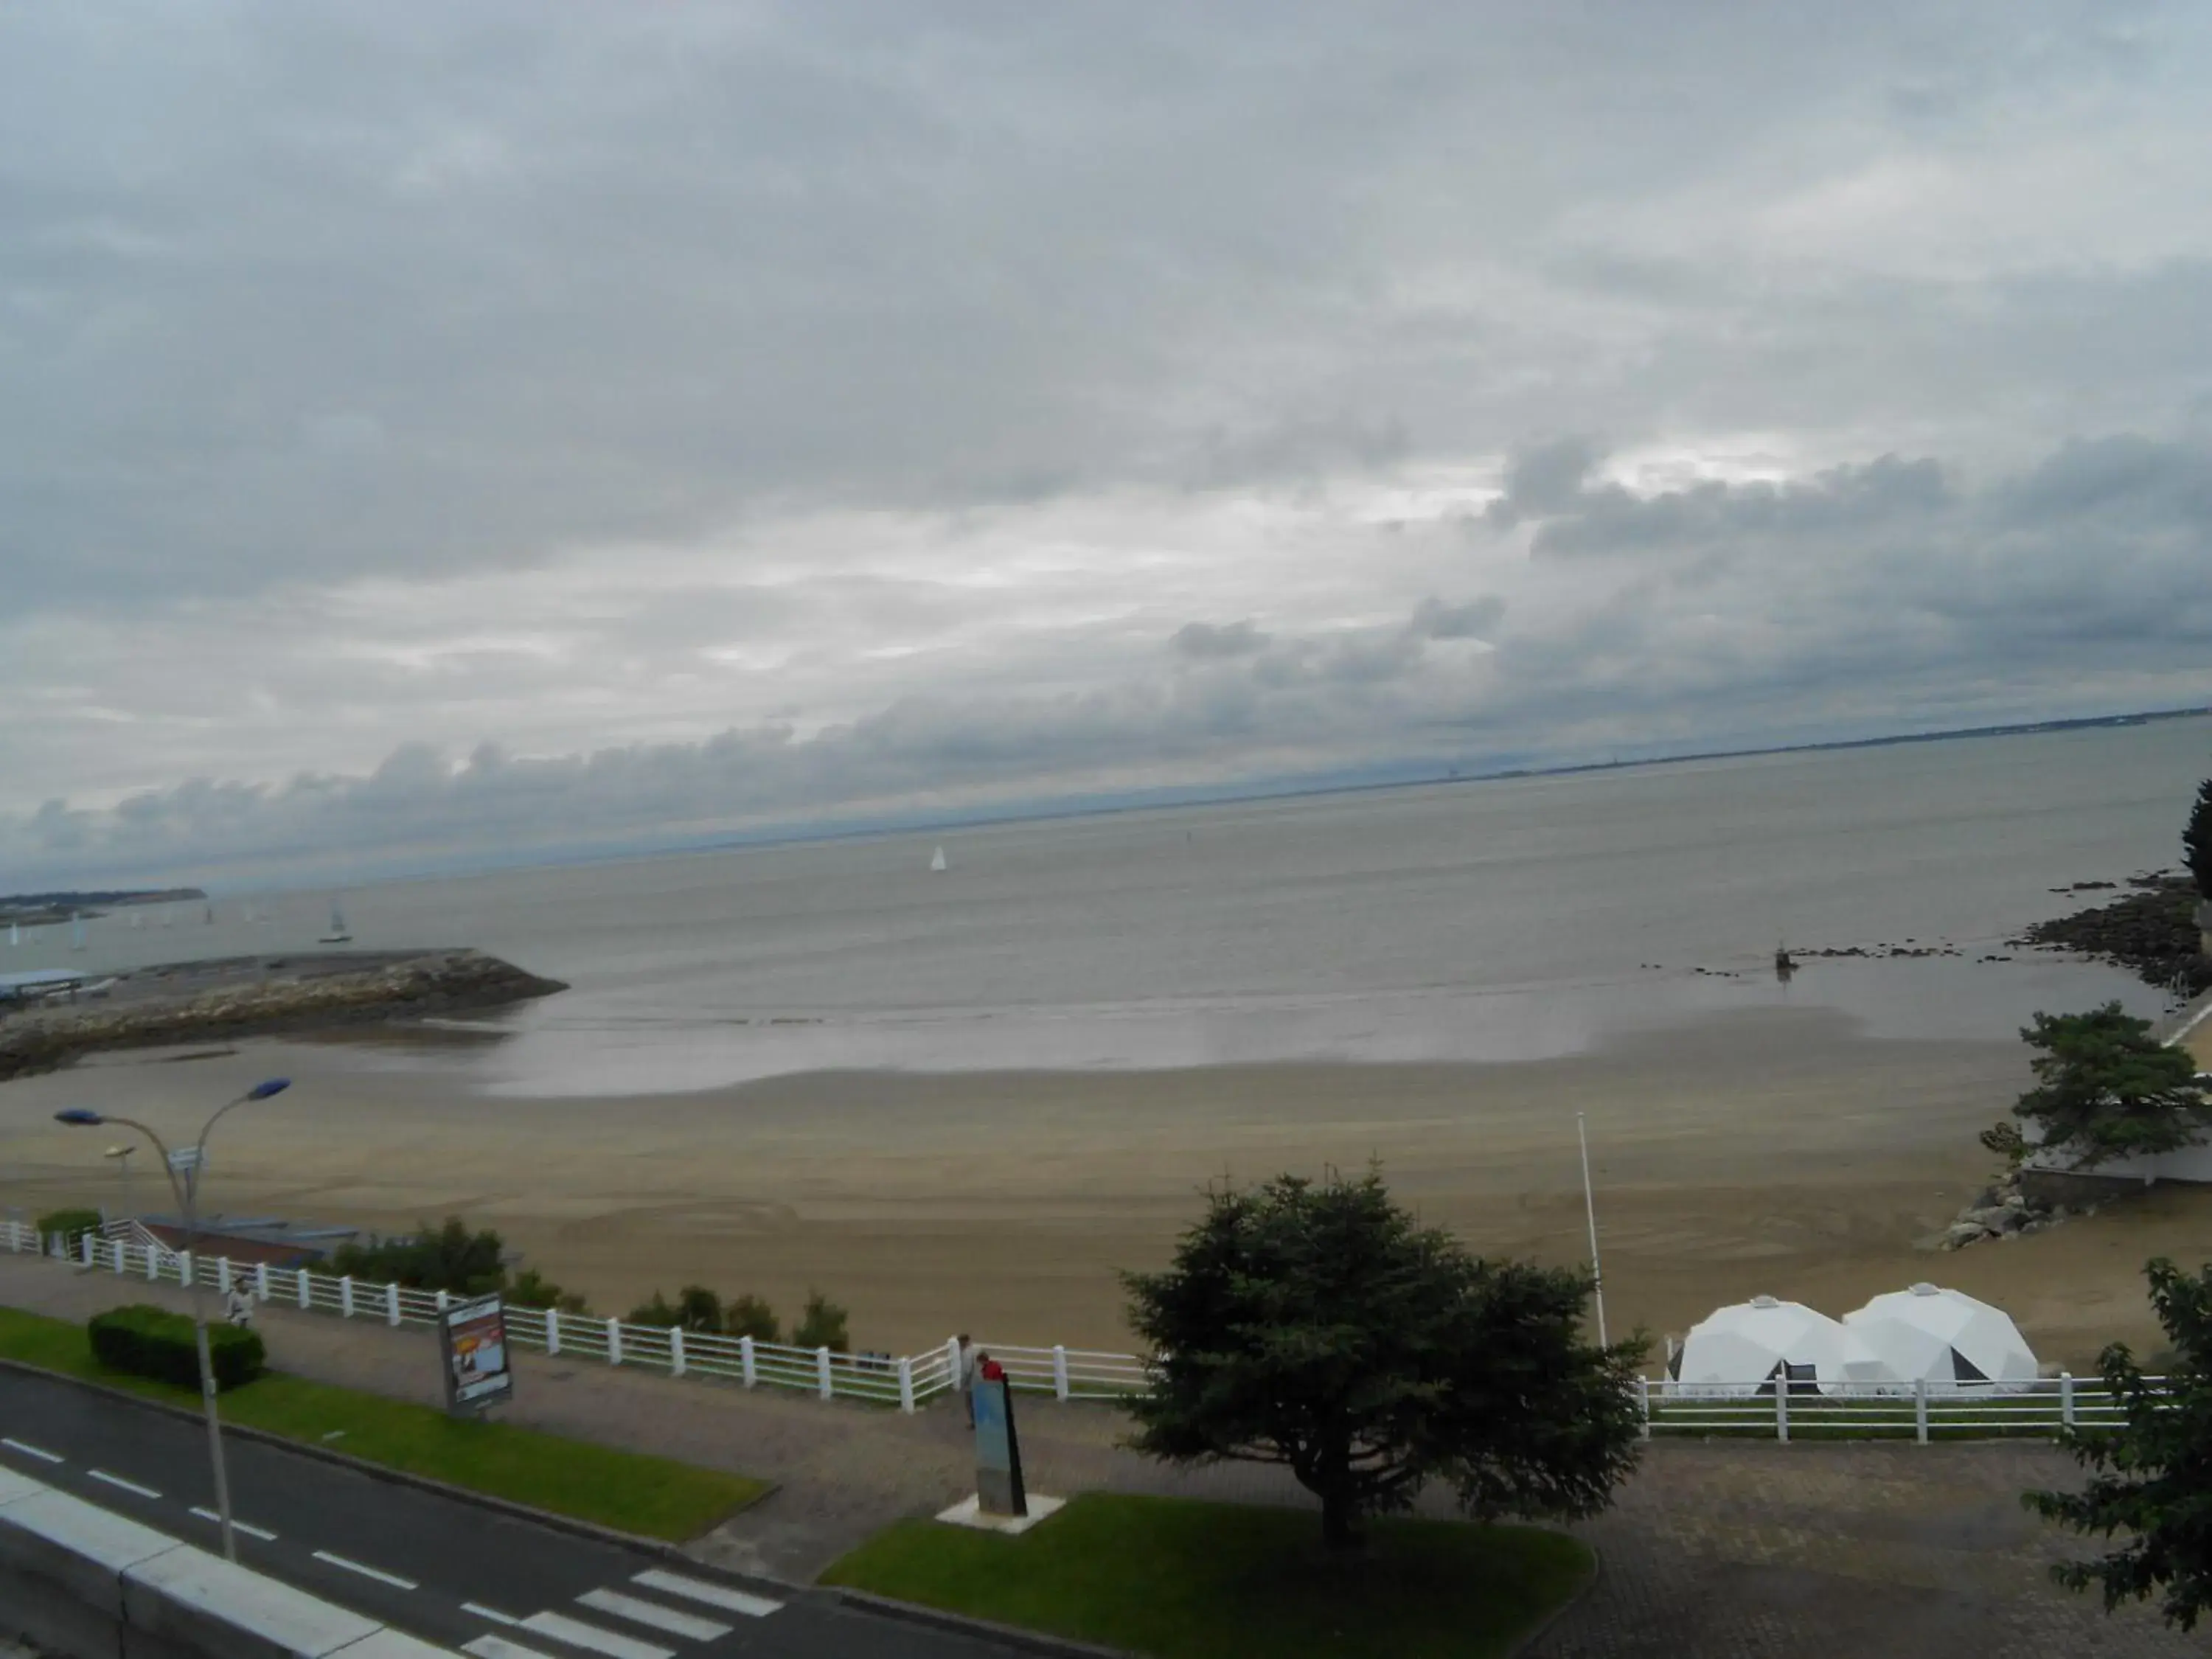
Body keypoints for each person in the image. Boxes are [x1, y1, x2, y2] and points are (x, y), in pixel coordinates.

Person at [956, 1332, 978, 1427]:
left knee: (970, 1404)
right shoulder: (978, 1348)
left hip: (972, 1383)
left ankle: (974, 1422)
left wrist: (963, 1382)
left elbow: (967, 1370)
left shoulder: (966, 1353)